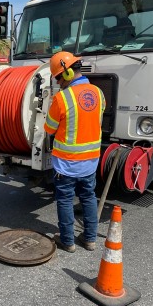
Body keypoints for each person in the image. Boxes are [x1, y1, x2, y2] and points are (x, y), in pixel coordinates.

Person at [44, 51, 105, 253]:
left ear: (67, 74)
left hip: (66, 164)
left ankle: (68, 242)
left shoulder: (62, 98)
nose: (58, 82)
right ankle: (90, 240)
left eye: (58, 77)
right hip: (90, 162)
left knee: (65, 200)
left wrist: (53, 108)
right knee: (88, 197)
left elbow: (49, 129)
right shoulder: (98, 93)